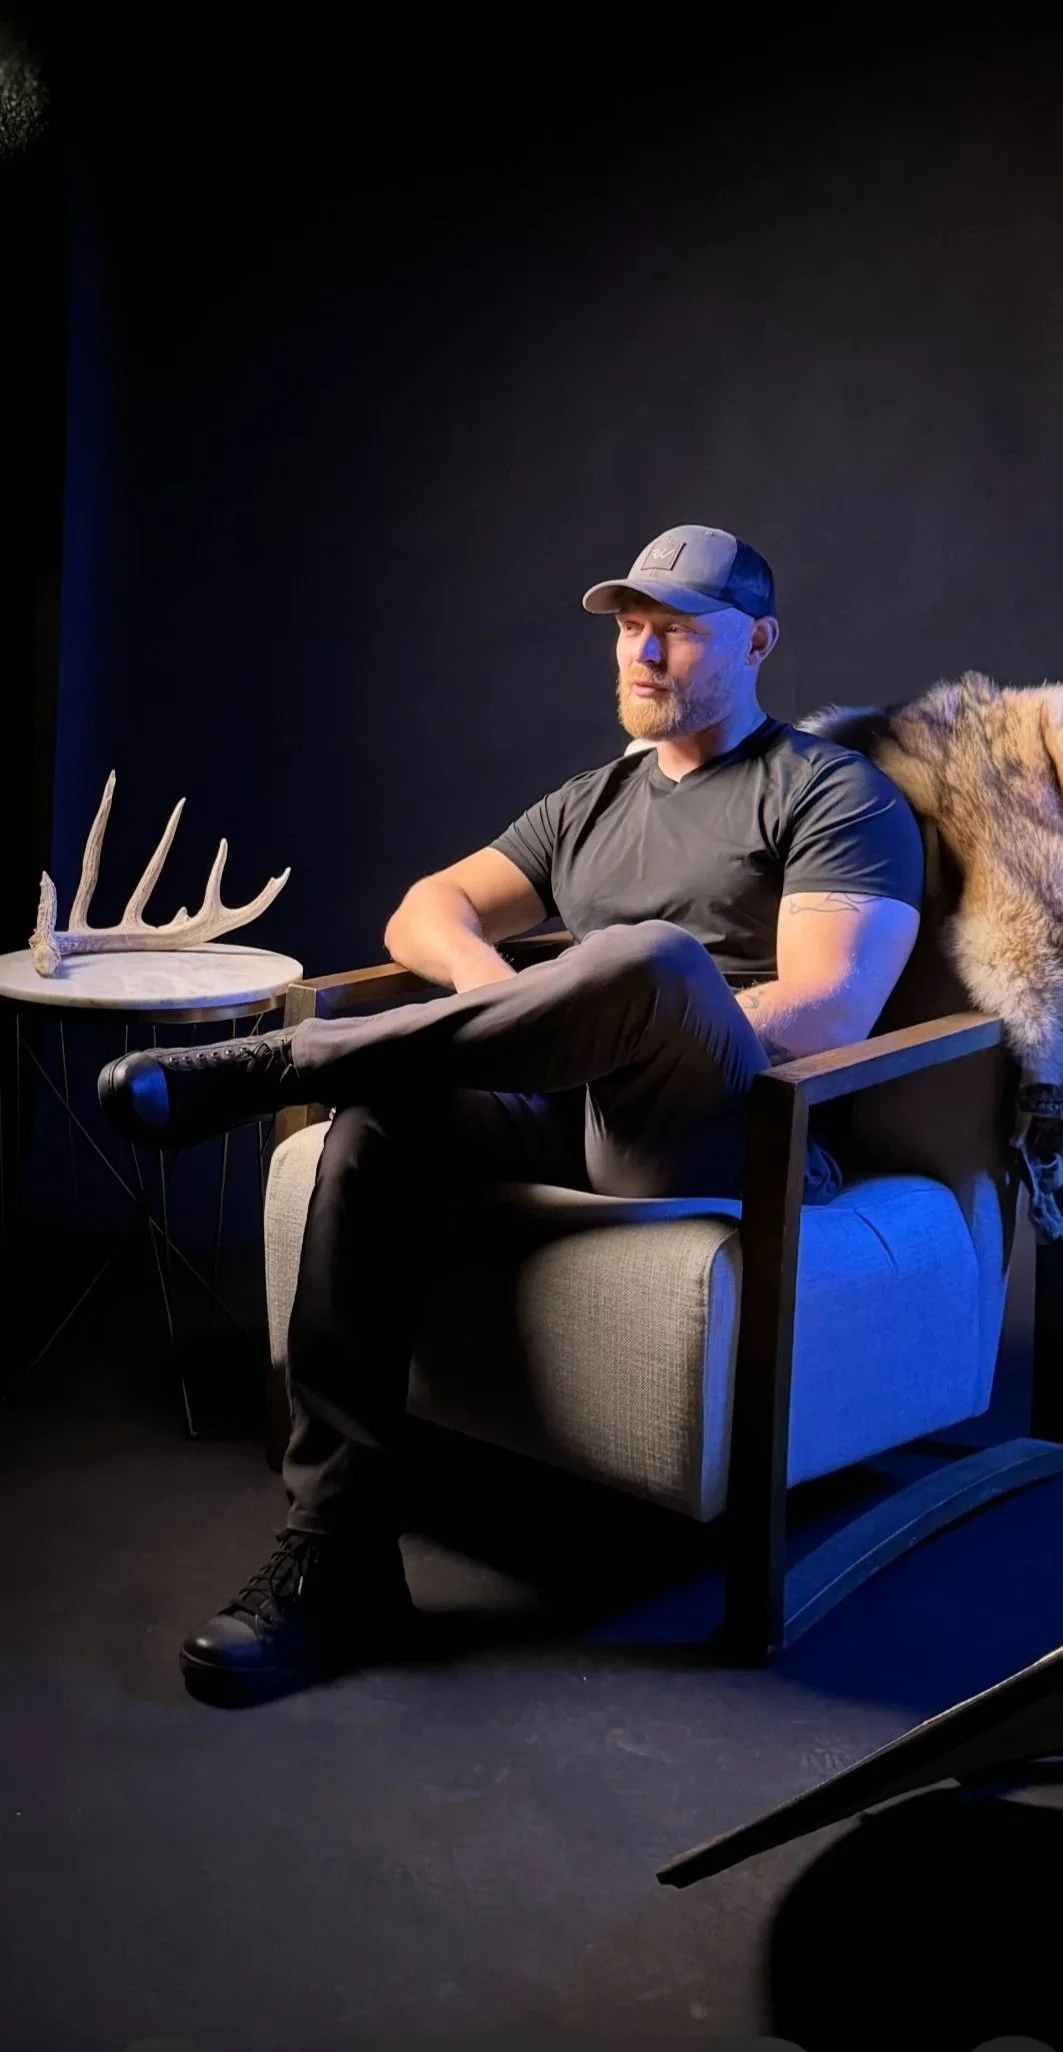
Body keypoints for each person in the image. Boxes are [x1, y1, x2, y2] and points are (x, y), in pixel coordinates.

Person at [98, 524, 925, 1702]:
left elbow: (831, 1010)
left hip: (730, 1128)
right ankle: (337, 1554)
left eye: (679, 628)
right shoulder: (592, 802)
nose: (644, 653)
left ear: (760, 640)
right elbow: (425, 911)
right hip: (567, 1102)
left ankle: (283, 1063)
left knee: (648, 959)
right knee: (379, 1126)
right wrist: (513, 1007)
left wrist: (629, 999)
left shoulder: (833, 793)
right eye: (631, 627)